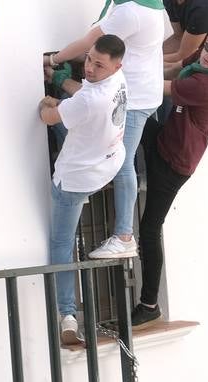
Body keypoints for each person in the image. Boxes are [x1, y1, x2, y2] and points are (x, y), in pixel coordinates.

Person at [132, 25, 208, 327]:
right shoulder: (200, 60)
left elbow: (159, 86)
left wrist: (124, 69)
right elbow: (173, 66)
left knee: (150, 227)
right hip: (166, 139)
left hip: (173, 164)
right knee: (133, 120)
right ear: (206, 41)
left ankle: (150, 304)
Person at [47, 0, 166, 262]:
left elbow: (88, 41)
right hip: (141, 92)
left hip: (133, 98)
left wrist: (52, 59)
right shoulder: (152, 5)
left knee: (122, 160)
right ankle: (86, 197)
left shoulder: (130, 12)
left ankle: (124, 236)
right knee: (114, 153)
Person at [39, 35, 128, 346]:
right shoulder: (117, 78)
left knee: (61, 244)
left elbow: (48, 117)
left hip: (75, 179)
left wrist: (48, 104)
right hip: (107, 161)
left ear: (116, 64)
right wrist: (64, 90)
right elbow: (83, 96)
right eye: (89, 59)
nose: (89, 67)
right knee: (71, 123)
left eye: (98, 64)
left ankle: (67, 314)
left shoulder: (91, 101)